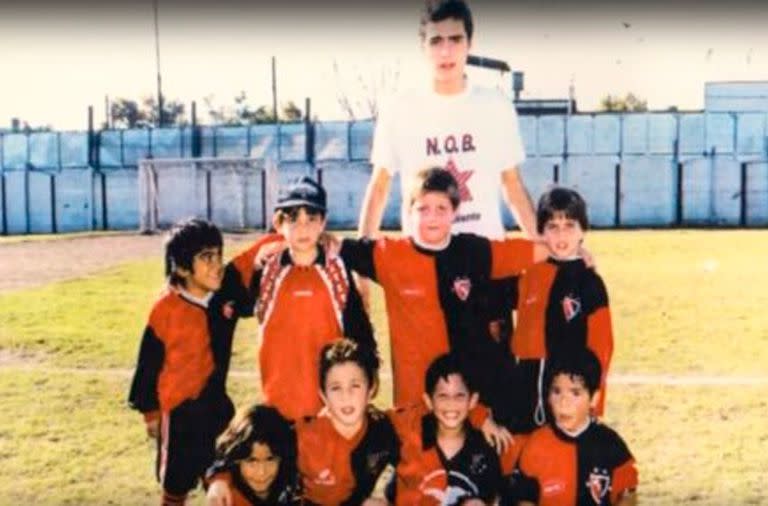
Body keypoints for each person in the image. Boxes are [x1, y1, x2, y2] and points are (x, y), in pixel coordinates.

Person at [358, 0, 537, 344]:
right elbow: (379, 187)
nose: (446, 50)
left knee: (492, 388)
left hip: (485, 267)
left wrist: (547, 248)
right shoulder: (400, 107)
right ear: (422, 47)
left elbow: (512, 186)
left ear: (470, 43)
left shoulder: (495, 105)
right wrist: (363, 272)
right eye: (436, 41)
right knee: (425, 389)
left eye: (455, 39)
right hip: (423, 270)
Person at [341, 167, 550, 422]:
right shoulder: (388, 254)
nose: (432, 217)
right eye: (423, 209)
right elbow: (330, 247)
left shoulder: (474, 251)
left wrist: (573, 252)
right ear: (409, 211)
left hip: (461, 403)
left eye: (441, 209)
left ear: (455, 212)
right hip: (414, 405)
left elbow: (538, 251)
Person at [217, 176, 375, 422]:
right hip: (278, 402)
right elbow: (231, 300)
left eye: (311, 219)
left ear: (323, 222)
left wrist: (370, 373)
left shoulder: (337, 271)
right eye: (293, 219)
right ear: (278, 224)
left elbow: (359, 328)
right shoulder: (267, 269)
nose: (303, 228)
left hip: (329, 408)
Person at [207, 338, 398, 506]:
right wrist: (218, 479)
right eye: (335, 388)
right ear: (323, 395)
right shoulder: (302, 435)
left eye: (355, 386)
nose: (345, 397)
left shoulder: (385, 429)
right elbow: (242, 436)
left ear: (371, 388)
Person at [128, 218, 236, 505]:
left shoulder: (222, 299)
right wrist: (150, 413)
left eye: (219, 255)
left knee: (217, 469)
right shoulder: (166, 309)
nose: (217, 264)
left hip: (213, 404)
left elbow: (250, 266)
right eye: (206, 257)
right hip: (178, 413)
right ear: (182, 267)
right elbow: (147, 363)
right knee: (177, 482)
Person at [509, 187, 613, 433]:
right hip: (526, 388)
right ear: (541, 231)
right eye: (553, 227)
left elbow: (602, 345)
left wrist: (594, 401)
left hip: (566, 392)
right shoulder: (529, 273)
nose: (561, 234)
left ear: (583, 230)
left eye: (569, 225)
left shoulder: (589, 282)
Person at [505, 349, 637, 506]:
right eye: (556, 391)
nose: (563, 402)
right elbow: (524, 499)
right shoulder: (536, 445)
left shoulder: (611, 446)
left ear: (594, 399)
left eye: (575, 393)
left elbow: (628, 496)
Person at [388, 353, 508, 505]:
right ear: (428, 401)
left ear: (473, 401)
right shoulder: (409, 436)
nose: (451, 404)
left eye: (459, 396)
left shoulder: (484, 450)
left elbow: (492, 496)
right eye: (443, 396)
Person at [206, 405, 300, 505]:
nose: (261, 472)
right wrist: (218, 481)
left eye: (270, 459)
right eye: (251, 460)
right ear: (236, 458)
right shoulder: (226, 496)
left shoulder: (293, 482)